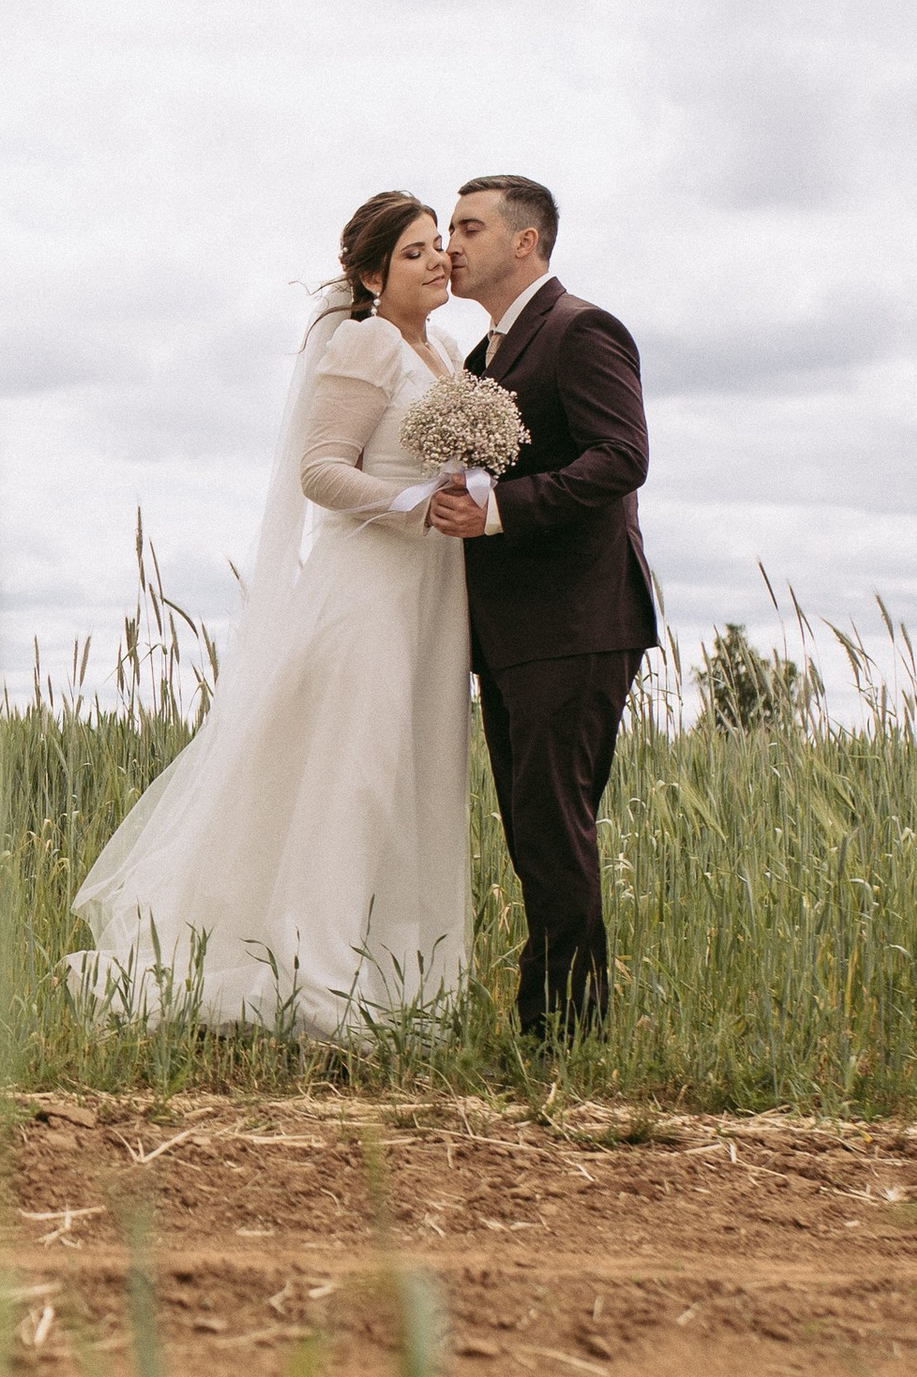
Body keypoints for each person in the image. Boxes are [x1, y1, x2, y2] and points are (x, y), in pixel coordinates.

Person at [68, 190, 474, 1039]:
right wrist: (415, 501)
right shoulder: (366, 344)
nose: (438, 259)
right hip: (369, 589)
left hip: (435, 593)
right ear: (369, 275)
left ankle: (394, 975)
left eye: (439, 244)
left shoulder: (443, 349)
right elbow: (321, 471)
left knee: (409, 778)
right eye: (413, 251)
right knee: (352, 777)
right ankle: (314, 974)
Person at [427, 176, 656, 1034]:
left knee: (554, 829)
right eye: (449, 228)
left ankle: (566, 1034)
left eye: (469, 227)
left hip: (577, 622)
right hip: (514, 632)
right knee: (534, 832)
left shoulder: (580, 329)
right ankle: (550, 1026)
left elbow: (621, 458)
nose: (451, 243)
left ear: (526, 242)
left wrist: (499, 511)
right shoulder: (484, 358)